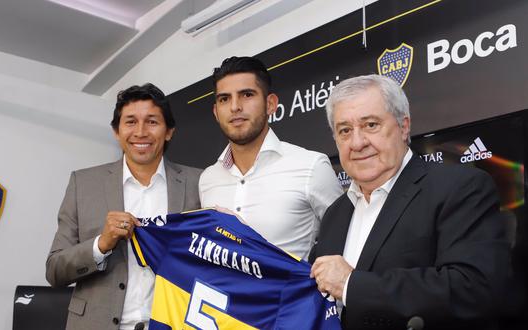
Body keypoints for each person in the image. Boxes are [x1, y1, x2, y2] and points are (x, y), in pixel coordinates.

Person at [310, 74, 509, 329]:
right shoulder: (335, 214)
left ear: (404, 127)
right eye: (345, 130)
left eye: (371, 125)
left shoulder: (461, 187)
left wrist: (351, 285)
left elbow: (474, 289)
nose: (357, 143)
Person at [45, 83, 201, 330]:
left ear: (169, 131)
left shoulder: (199, 183)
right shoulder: (83, 184)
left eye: (152, 121)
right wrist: (101, 245)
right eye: (130, 122)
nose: (140, 132)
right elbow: (54, 271)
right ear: (116, 131)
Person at [199, 56, 343, 261]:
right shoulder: (208, 179)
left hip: (290, 293)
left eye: (247, 95)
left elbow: (346, 241)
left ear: (271, 104)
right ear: (216, 112)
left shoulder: (311, 167)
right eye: (224, 99)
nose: (235, 107)